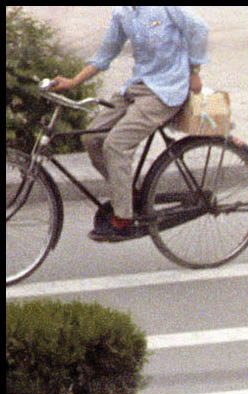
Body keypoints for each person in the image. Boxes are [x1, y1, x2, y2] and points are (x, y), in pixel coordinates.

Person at [50, 6, 210, 244]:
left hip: (166, 91)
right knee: (92, 138)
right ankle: (130, 195)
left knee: (116, 145)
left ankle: (124, 218)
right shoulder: (122, 13)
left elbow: (199, 28)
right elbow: (105, 54)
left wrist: (194, 71)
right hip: (136, 87)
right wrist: (73, 82)